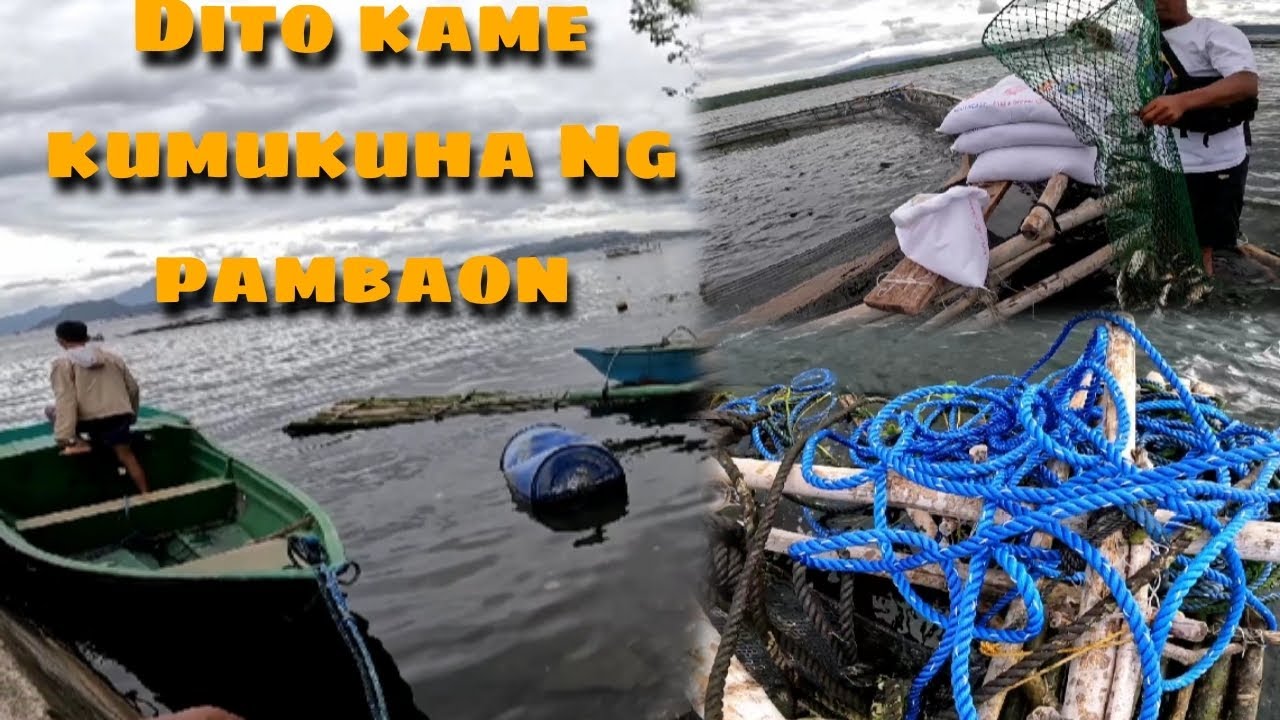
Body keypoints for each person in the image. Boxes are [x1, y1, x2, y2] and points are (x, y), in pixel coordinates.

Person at [1138, 0, 1259, 278]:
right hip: (1166, 162)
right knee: (1170, 236)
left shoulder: (1213, 33)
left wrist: (1182, 101)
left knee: (1206, 244)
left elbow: (1246, 82)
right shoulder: (1143, 42)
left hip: (1216, 165)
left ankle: (1202, 291)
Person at [45, 320, 150, 494]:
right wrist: (131, 415)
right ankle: (146, 494)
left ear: (61, 341)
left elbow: (66, 400)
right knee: (127, 456)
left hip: (89, 421)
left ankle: (80, 443)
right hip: (119, 417)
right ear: (86, 337)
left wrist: (65, 437)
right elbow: (133, 389)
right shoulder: (113, 358)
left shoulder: (62, 364)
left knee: (50, 411)